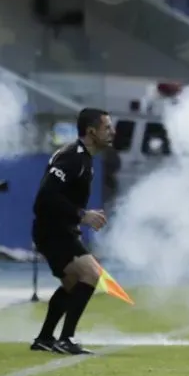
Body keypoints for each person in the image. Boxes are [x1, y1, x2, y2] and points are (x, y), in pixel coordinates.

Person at [30, 107, 115, 356]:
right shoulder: (73, 157)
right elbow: (44, 197)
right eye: (106, 127)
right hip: (53, 231)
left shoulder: (84, 158)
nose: (112, 132)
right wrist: (81, 215)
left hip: (60, 230)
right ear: (91, 131)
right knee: (92, 273)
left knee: (72, 283)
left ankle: (45, 338)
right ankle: (66, 339)